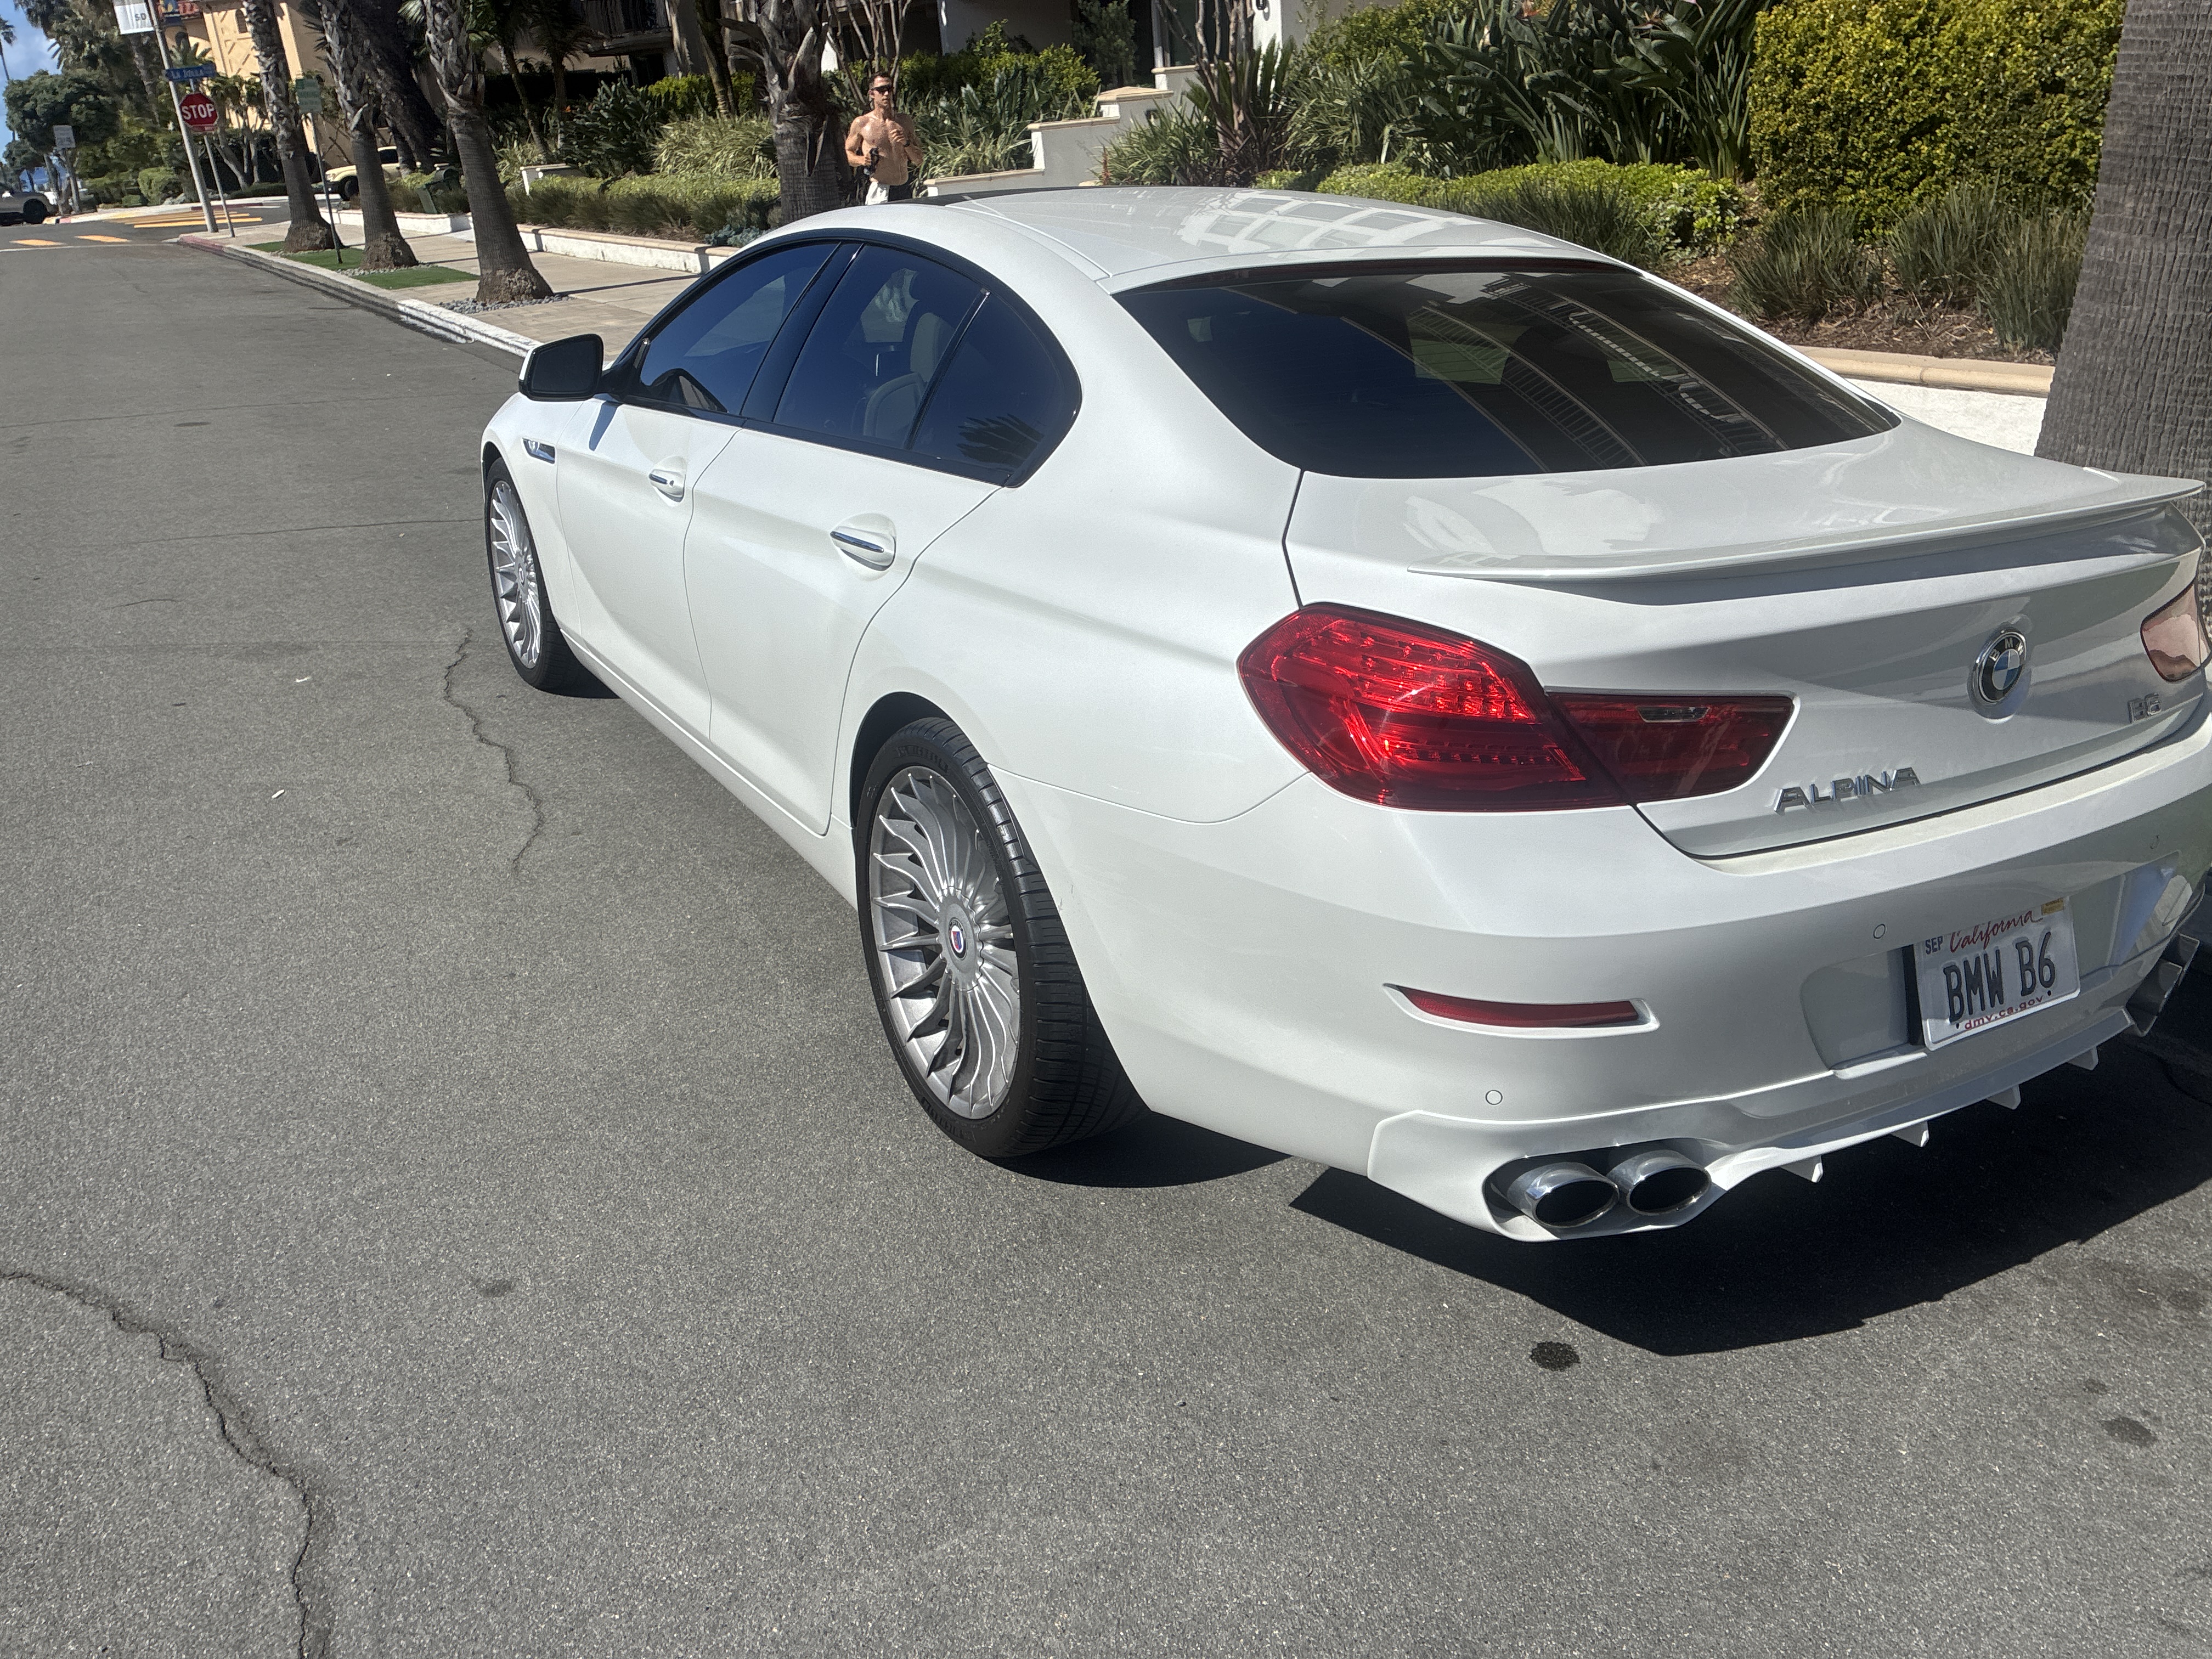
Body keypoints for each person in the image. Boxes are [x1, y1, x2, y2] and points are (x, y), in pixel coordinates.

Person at [844, 73, 924, 204]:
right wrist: (862, 160)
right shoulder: (862, 123)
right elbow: (848, 153)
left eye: (889, 89)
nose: (886, 94)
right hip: (880, 189)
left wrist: (906, 143)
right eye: (881, 90)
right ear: (872, 94)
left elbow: (919, 160)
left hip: (905, 188)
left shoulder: (904, 122)